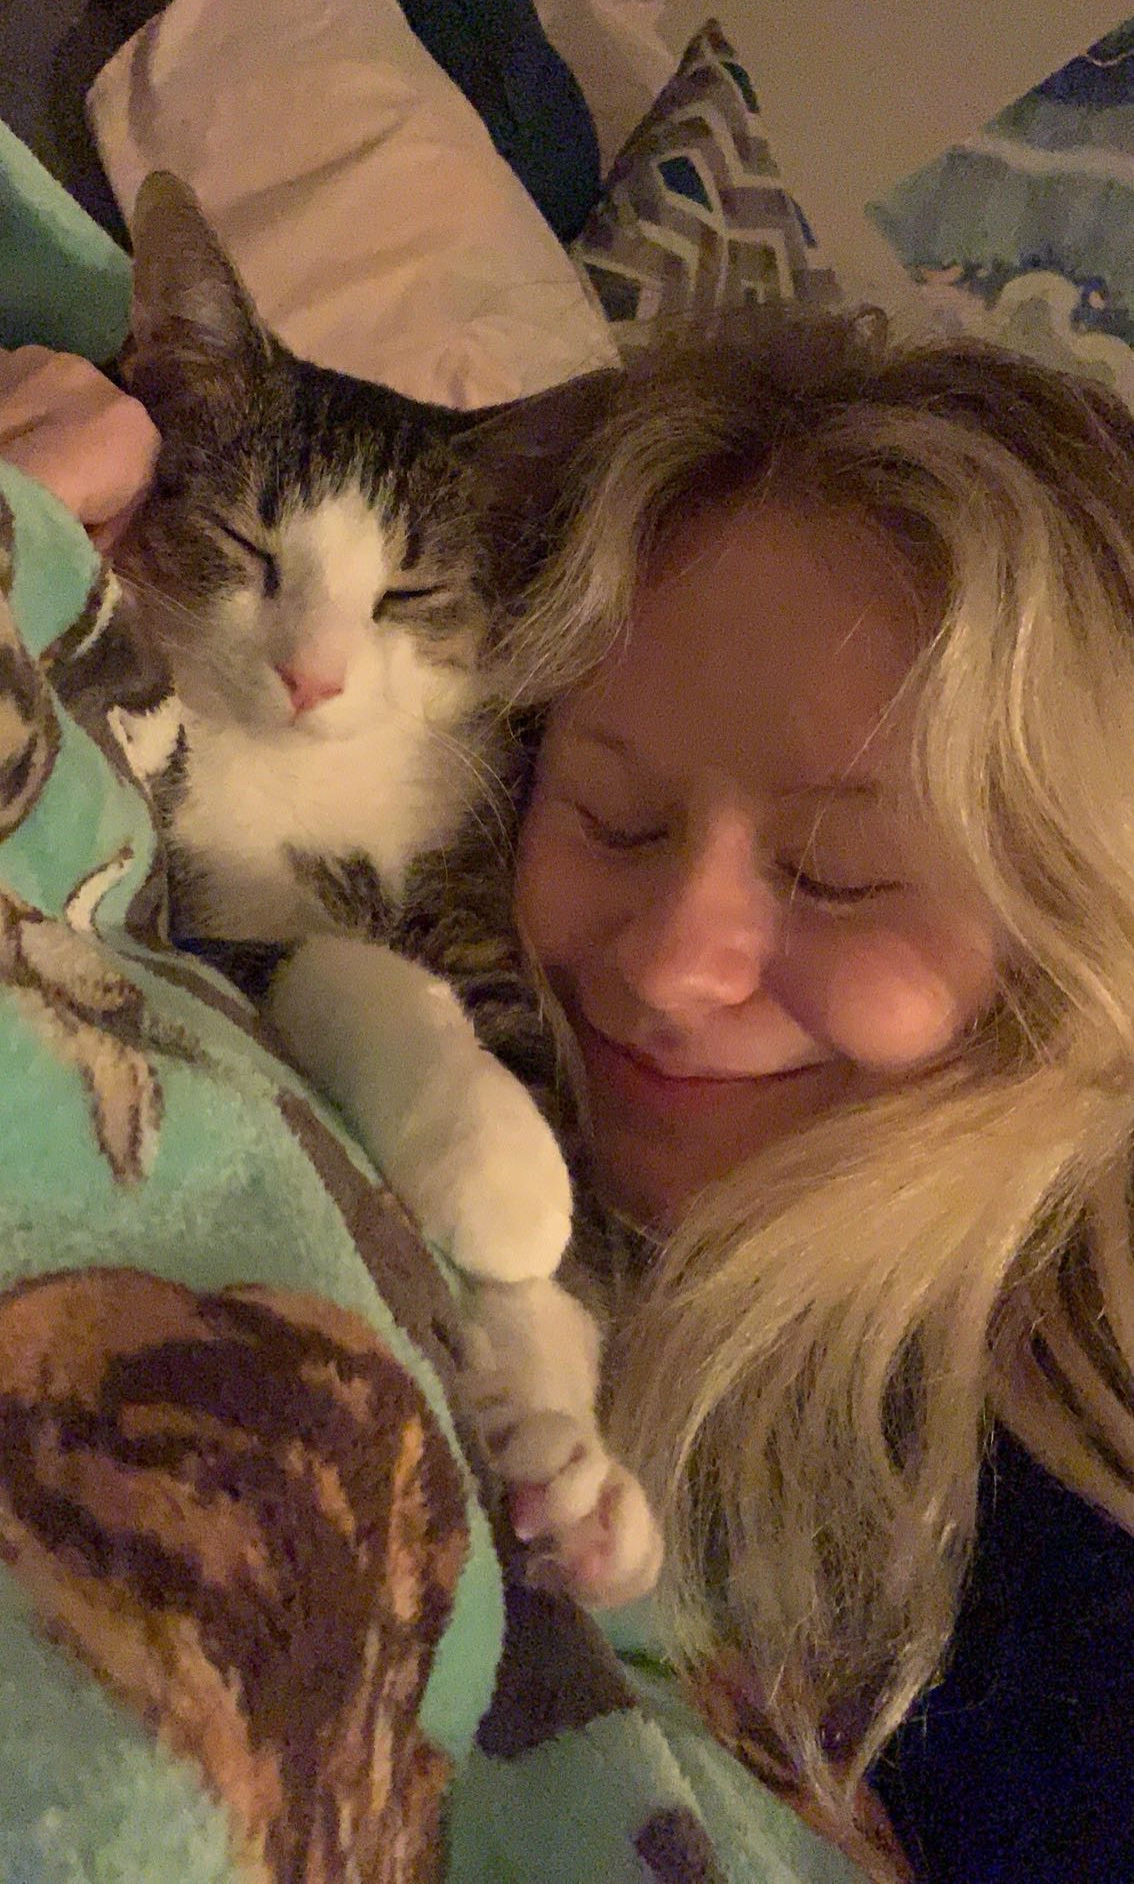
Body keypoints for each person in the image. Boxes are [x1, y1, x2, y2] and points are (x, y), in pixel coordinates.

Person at [11, 310, 1134, 1882]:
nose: (667, 963)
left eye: (831, 873)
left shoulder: (1065, 1474)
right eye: (609, 813)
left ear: (1078, 928)